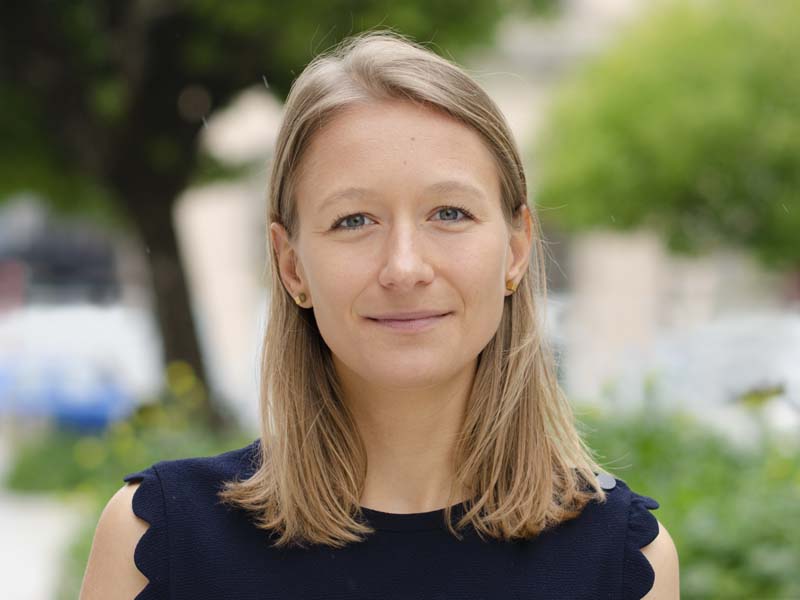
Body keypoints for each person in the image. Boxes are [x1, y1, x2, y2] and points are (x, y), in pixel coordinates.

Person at [80, 29, 679, 599]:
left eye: (449, 213)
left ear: (516, 249)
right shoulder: (159, 541)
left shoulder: (624, 561)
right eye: (354, 221)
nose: (404, 267)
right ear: (291, 265)